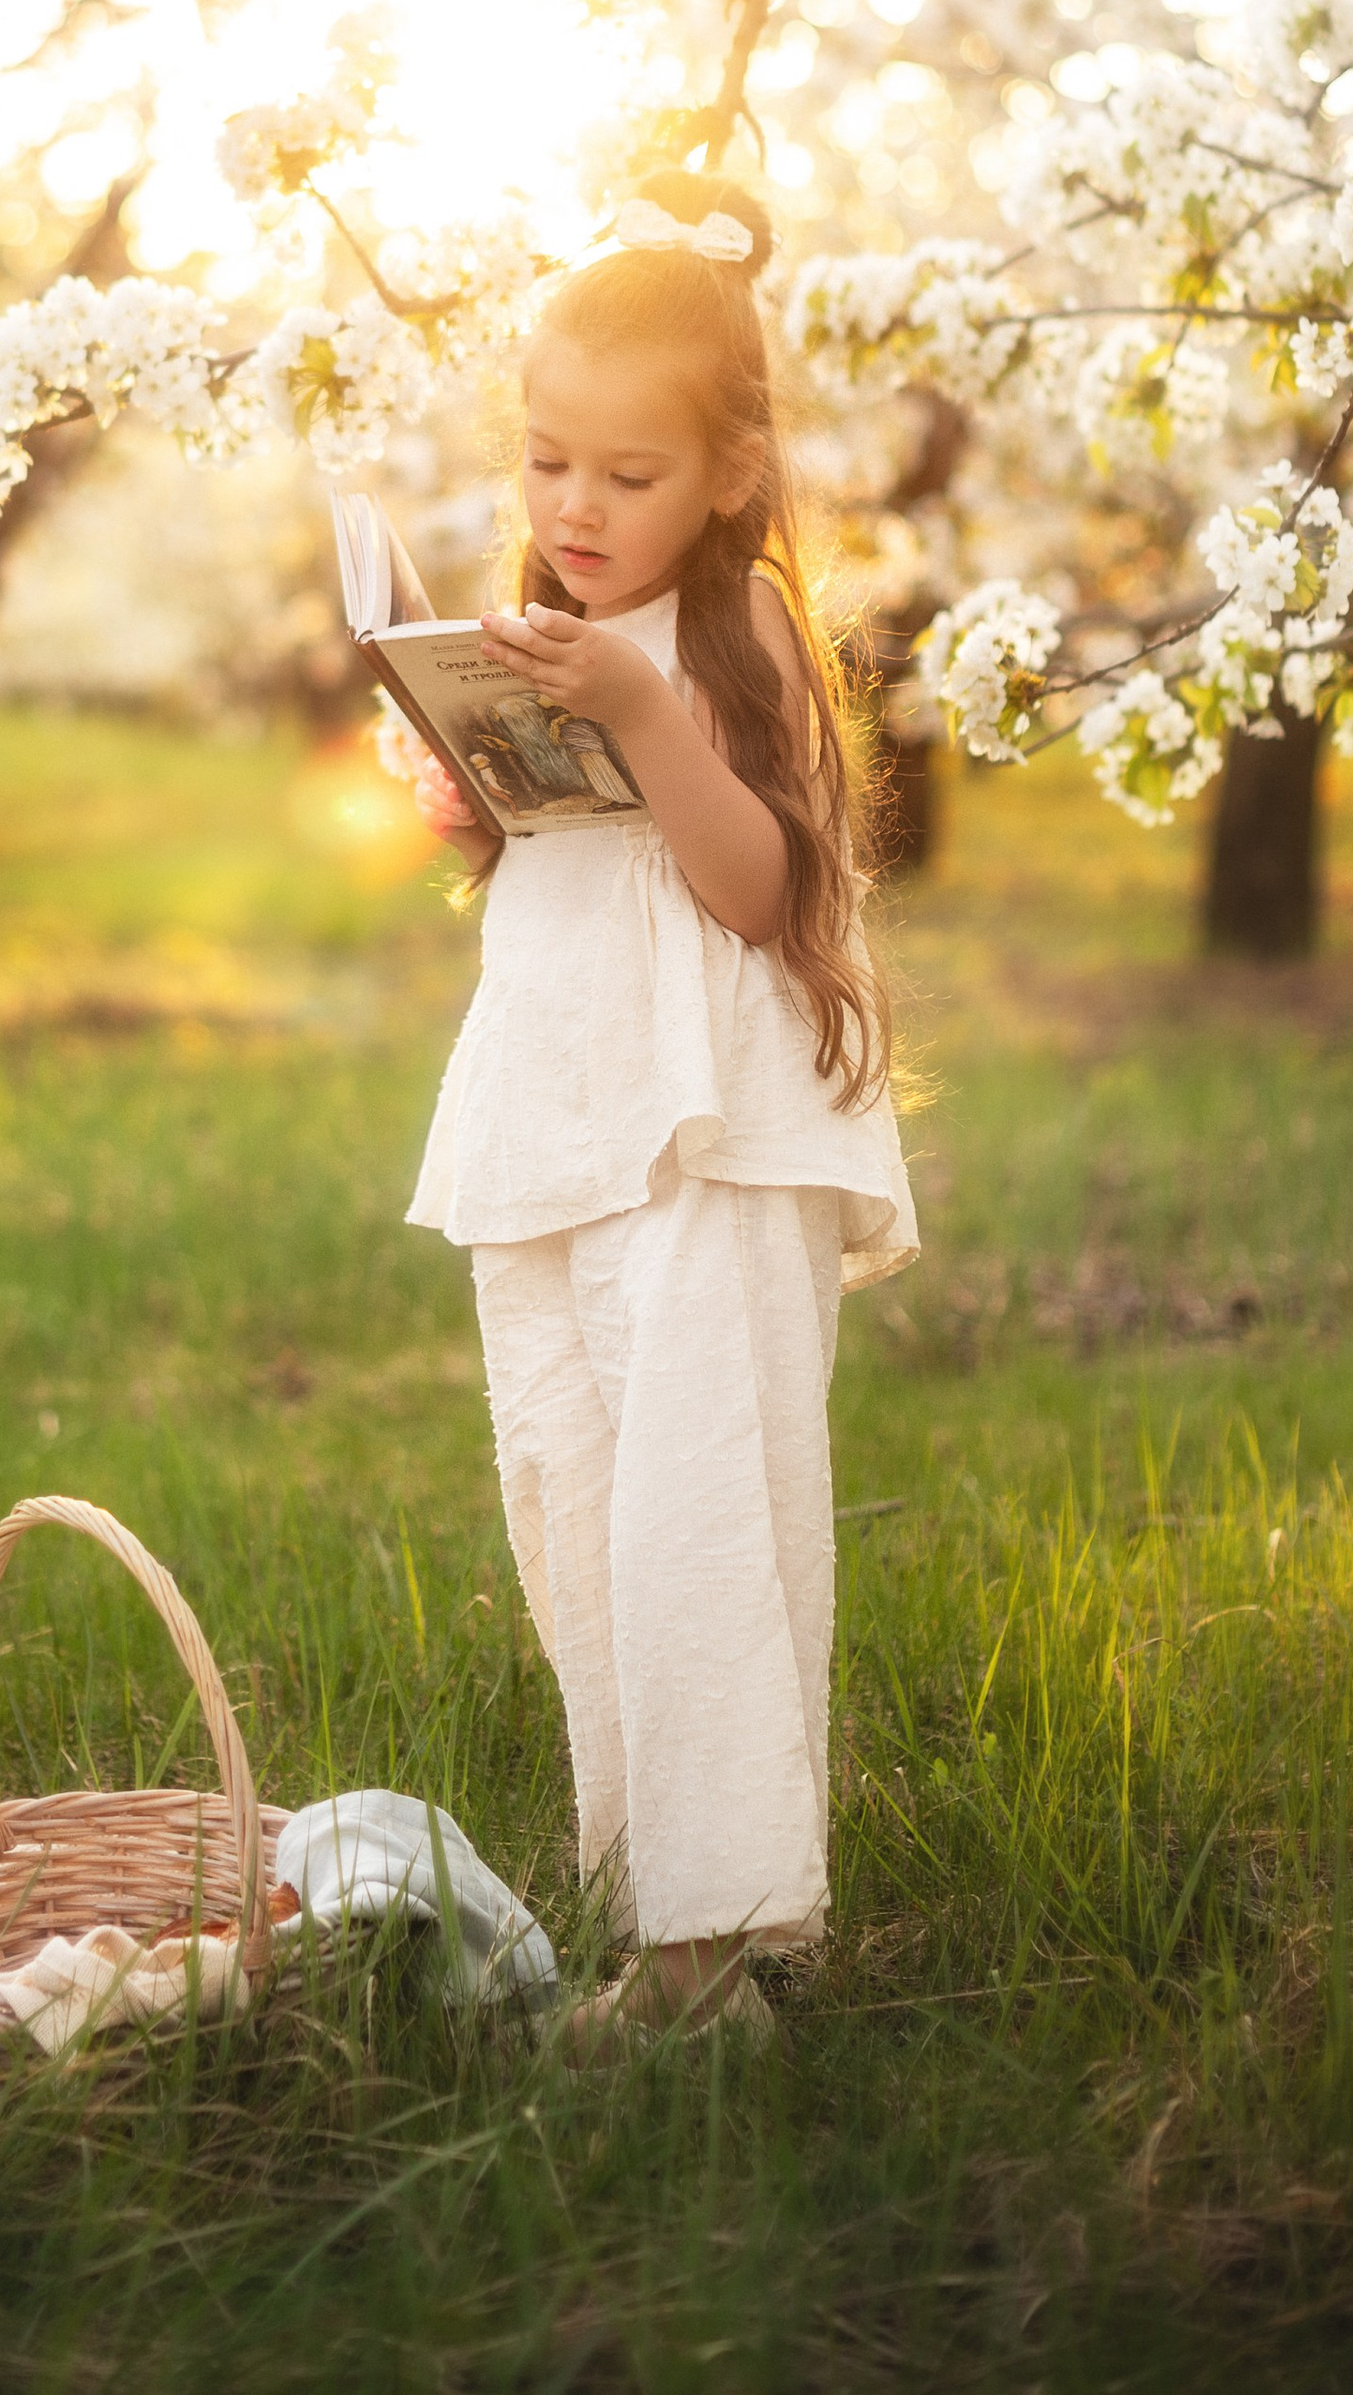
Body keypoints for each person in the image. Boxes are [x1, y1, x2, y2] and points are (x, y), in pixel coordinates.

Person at [402, 172, 919, 2048]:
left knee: (699, 1513)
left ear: (727, 475)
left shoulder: (736, 637)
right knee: (581, 1508)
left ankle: (720, 1947)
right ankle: (665, 1922)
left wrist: (639, 707)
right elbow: (555, 885)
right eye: (549, 465)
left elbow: (753, 889)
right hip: (559, 1123)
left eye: (627, 475)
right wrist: (473, 777)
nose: (576, 510)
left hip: (707, 1143)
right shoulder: (549, 633)